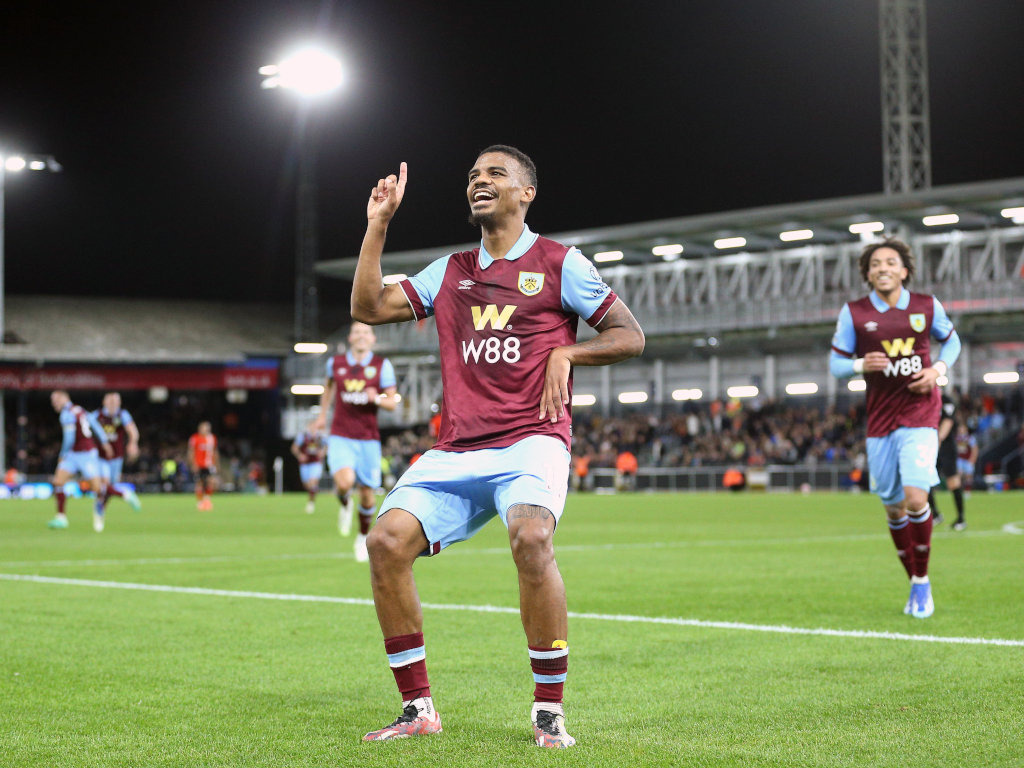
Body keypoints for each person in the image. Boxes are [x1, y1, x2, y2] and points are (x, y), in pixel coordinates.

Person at [350, 147, 644, 747]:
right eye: (473, 176)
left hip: (532, 438)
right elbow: (368, 307)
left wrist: (567, 351)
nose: (479, 182)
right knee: (383, 543)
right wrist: (378, 225)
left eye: (494, 174)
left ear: (526, 192)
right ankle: (418, 709)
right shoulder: (449, 270)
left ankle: (548, 711)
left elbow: (629, 336)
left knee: (532, 538)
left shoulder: (562, 263)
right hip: (457, 446)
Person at [831, 238, 961, 619]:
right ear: (868, 274)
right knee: (893, 508)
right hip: (881, 420)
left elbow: (951, 343)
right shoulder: (854, 313)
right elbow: (837, 364)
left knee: (917, 499)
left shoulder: (926, 306)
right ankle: (916, 581)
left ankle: (921, 583)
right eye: (875, 264)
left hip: (921, 414)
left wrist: (937, 370)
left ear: (905, 270)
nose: (883, 268)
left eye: (891, 262)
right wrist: (859, 366)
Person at [313, 323, 399, 562]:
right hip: (340, 434)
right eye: (357, 332)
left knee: (367, 495)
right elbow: (328, 388)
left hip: (368, 439)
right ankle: (343, 501)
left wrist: (378, 399)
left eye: (366, 333)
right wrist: (322, 416)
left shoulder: (382, 366)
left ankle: (361, 538)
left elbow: (392, 402)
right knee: (345, 482)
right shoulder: (336, 364)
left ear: (372, 339)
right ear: (350, 338)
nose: (361, 336)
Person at [47, 390, 113, 532]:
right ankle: (61, 518)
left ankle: (122, 495)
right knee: (58, 482)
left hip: (85, 454)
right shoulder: (79, 409)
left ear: (64, 398)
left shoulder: (67, 414)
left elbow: (69, 438)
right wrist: (104, 442)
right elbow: (95, 424)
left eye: (56, 400)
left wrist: (62, 454)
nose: (54, 404)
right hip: (74, 454)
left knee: (96, 488)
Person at [92, 392, 142, 515]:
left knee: (111, 486)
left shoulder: (122, 415)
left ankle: (101, 506)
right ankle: (127, 495)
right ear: (104, 402)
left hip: (117, 457)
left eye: (115, 401)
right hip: (101, 457)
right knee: (105, 484)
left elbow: (133, 431)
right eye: (110, 401)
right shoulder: (96, 415)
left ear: (119, 403)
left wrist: (133, 443)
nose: (113, 404)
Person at [291, 421, 328, 513]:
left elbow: (328, 445)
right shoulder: (303, 436)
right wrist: (300, 455)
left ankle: (311, 503)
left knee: (313, 482)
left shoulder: (321, 436)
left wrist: (323, 452)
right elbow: (294, 448)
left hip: (316, 463)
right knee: (307, 485)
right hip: (305, 464)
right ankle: (313, 494)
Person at [188, 422, 219, 510]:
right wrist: (193, 464)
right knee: (199, 483)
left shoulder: (212, 438)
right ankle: (200, 502)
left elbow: (215, 451)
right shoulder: (195, 438)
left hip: (209, 464)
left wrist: (216, 463)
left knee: (211, 482)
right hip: (199, 464)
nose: (206, 430)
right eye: (204, 428)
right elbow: (191, 451)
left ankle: (207, 500)